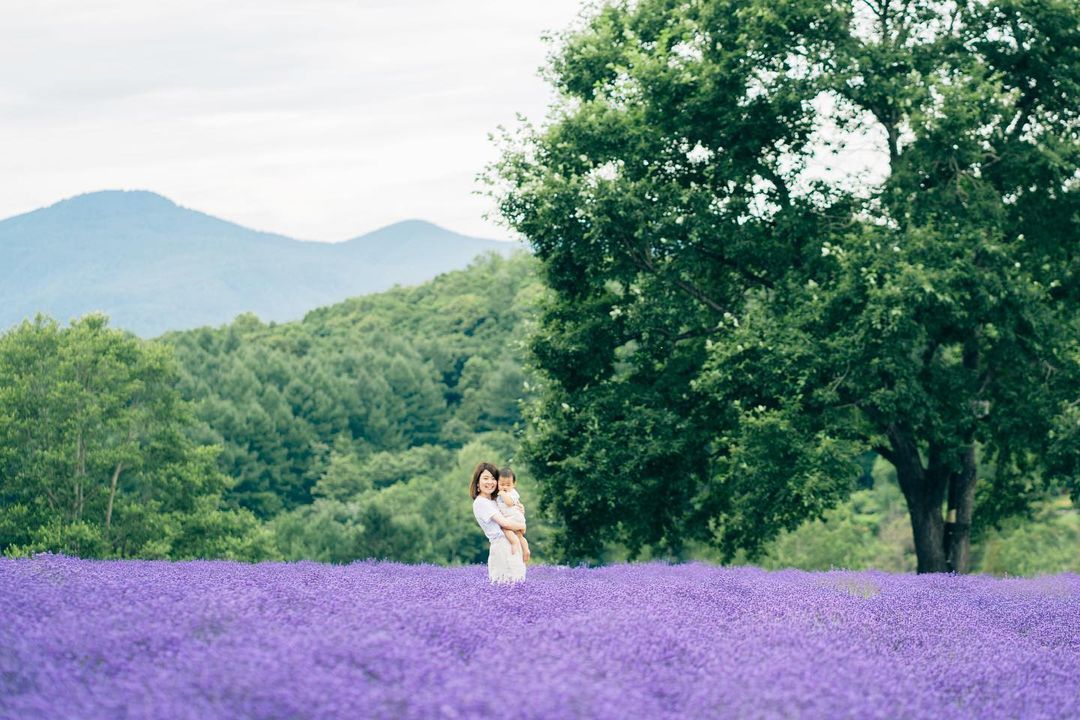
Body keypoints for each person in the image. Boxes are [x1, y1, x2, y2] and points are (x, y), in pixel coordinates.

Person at [470, 462, 526, 583]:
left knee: (517, 584)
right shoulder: (481, 503)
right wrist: (522, 525)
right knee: (507, 584)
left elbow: (511, 511)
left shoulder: (495, 500)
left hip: (512, 543)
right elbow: (504, 523)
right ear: (478, 482)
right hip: (502, 546)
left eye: (493, 478)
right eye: (485, 478)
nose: (490, 482)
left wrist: (520, 508)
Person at [496, 466, 530, 564]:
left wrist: (502, 493)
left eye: (508, 484)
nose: (505, 487)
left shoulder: (512, 493)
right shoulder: (500, 495)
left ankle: (514, 543)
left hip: (514, 518)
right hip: (513, 518)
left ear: (513, 484)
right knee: (519, 535)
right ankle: (525, 549)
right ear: (498, 483)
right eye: (502, 484)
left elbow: (509, 503)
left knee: (506, 529)